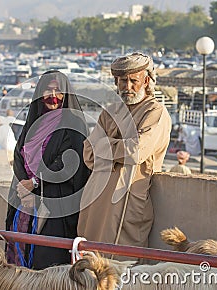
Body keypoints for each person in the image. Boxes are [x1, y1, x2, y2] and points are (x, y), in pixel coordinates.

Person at [77, 52, 172, 259]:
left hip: (127, 200)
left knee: (121, 267)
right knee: (89, 266)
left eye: (133, 81)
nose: (127, 87)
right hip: (96, 200)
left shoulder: (155, 111)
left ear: (146, 81)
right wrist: (118, 148)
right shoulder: (110, 111)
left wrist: (103, 146)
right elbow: (87, 153)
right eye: (122, 81)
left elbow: (137, 151)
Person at [5, 70, 90, 270]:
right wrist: (23, 187)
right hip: (23, 204)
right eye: (47, 90)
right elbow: (19, 155)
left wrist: (36, 184)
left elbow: (69, 162)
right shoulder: (33, 122)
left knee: (46, 265)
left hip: (55, 206)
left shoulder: (74, 124)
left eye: (58, 90)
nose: (52, 96)